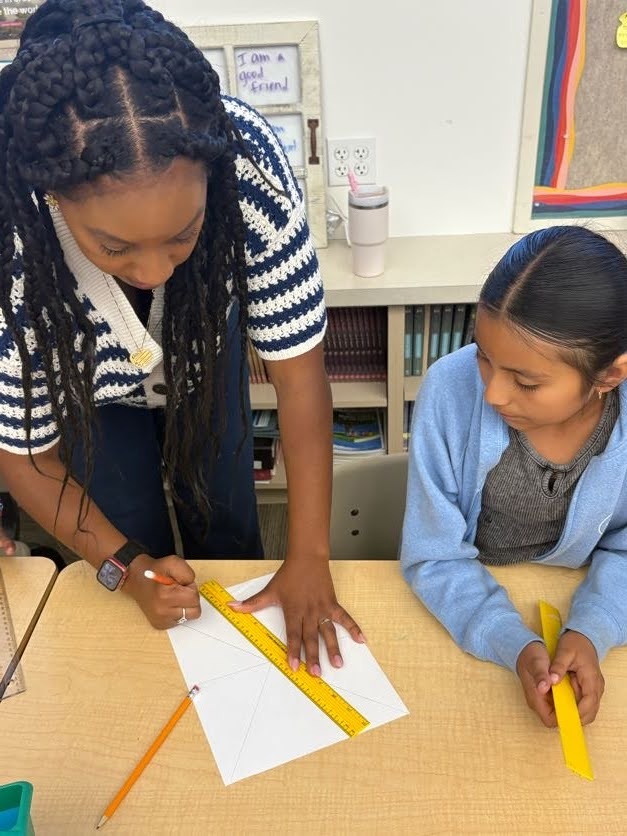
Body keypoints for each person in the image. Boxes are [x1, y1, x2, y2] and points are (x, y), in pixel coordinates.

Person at [0, 0, 365, 675]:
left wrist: (310, 556)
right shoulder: (12, 242)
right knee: (129, 523)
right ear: (53, 196)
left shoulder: (245, 162)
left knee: (226, 511)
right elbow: (25, 457)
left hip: (201, 345)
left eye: (183, 235)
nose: (154, 271)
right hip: (86, 383)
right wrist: (125, 567)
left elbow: (299, 378)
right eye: (114, 247)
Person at [400, 225, 627, 726]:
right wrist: (510, 641)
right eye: (483, 355)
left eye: (525, 382)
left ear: (609, 376)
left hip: (580, 589)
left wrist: (594, 628)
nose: (493, 395)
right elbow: (434, 554)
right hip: (465, 601)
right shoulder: (449, 390)